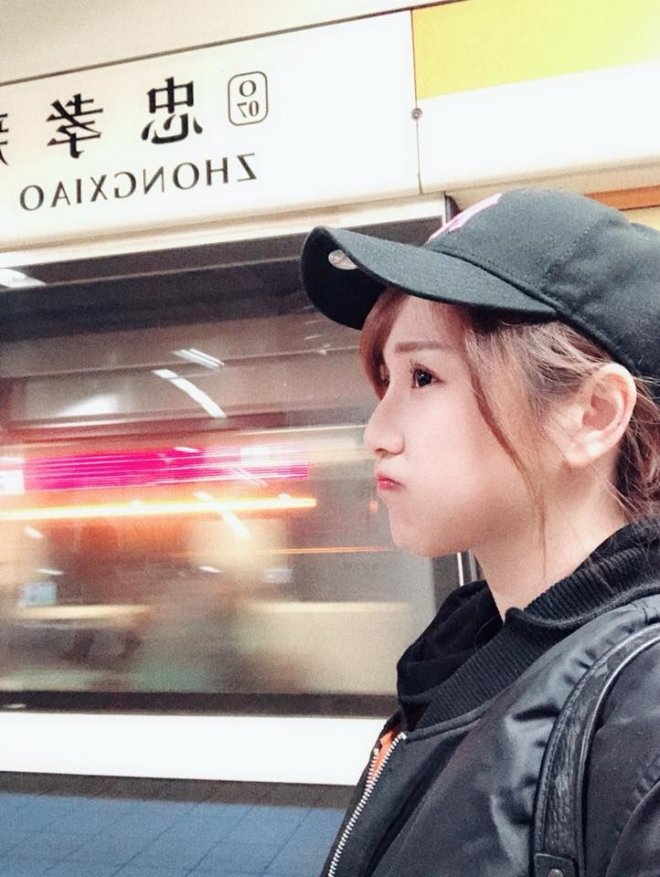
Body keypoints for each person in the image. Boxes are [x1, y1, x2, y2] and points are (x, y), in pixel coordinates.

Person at [299, 188, 660, 877]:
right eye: (386, 378)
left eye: (423, 376)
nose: (376, 432)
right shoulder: (466, 655)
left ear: (592, 413)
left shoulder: (643, 711)